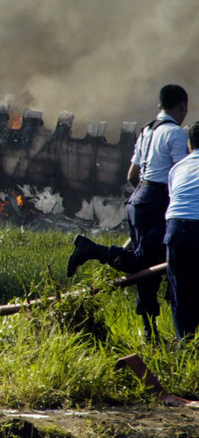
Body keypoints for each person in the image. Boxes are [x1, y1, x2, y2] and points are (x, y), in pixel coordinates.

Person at [67, 84, 189, 341]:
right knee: (147, 265)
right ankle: (92, 250)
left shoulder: (146, 131)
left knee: (145, 267)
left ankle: (149, 331)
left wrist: (143, 199)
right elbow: (181, 174)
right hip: (156, 200)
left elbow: (132, 175)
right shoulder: (176, 133)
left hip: (138, 199)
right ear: (182, 107)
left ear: (159, 107)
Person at [163, 122, 199, 340]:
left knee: (180, 291)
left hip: (176, 230)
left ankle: (184, 346)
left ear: (189, 143)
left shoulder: (177, 168)